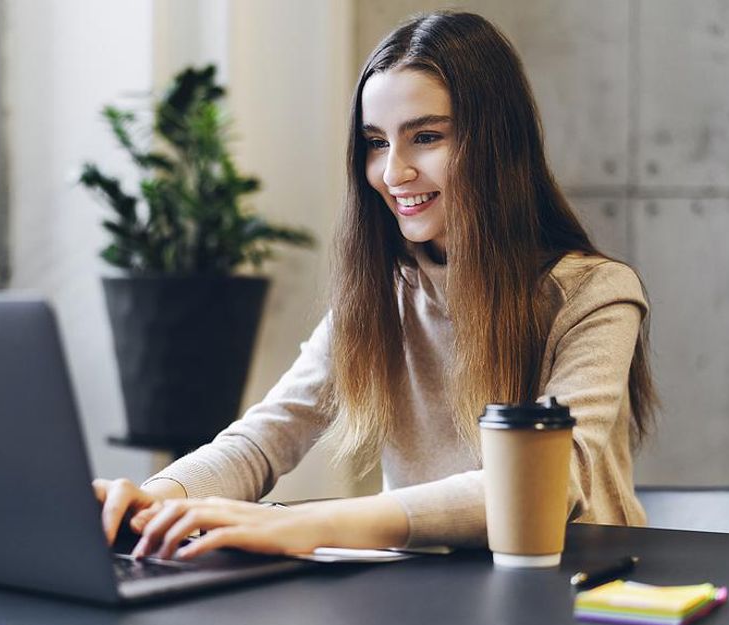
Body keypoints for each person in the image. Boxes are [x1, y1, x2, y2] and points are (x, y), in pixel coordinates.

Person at [94, 11, 657, 561]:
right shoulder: (383, 295)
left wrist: (304, 524)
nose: (393, 172)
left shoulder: (596, 295)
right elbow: (265, 438)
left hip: (581, 596)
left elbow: (547, 485)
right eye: (376, 142)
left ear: (497, 145)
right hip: (427, 596)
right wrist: (158, 497)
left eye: (426, 137)